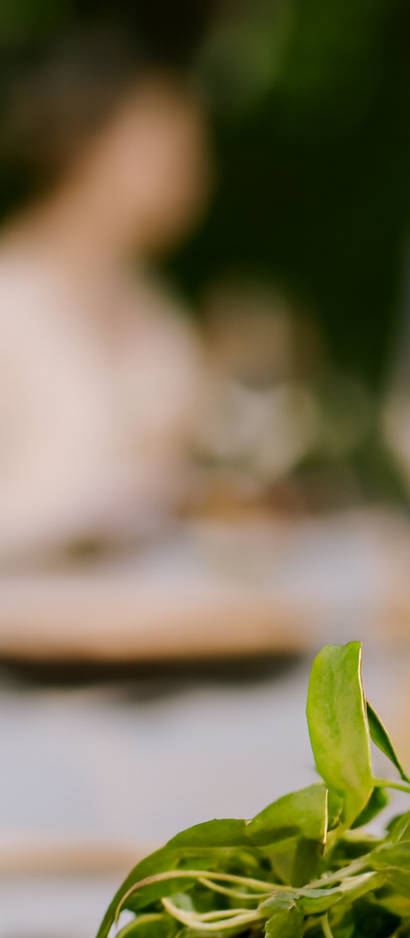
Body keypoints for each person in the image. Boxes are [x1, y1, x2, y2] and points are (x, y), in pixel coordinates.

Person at [0, 35, 209, 564]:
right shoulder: (10, 296)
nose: (190, 172)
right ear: (79, 144)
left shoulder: (158, 310)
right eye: (165, 146)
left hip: (143, 604)